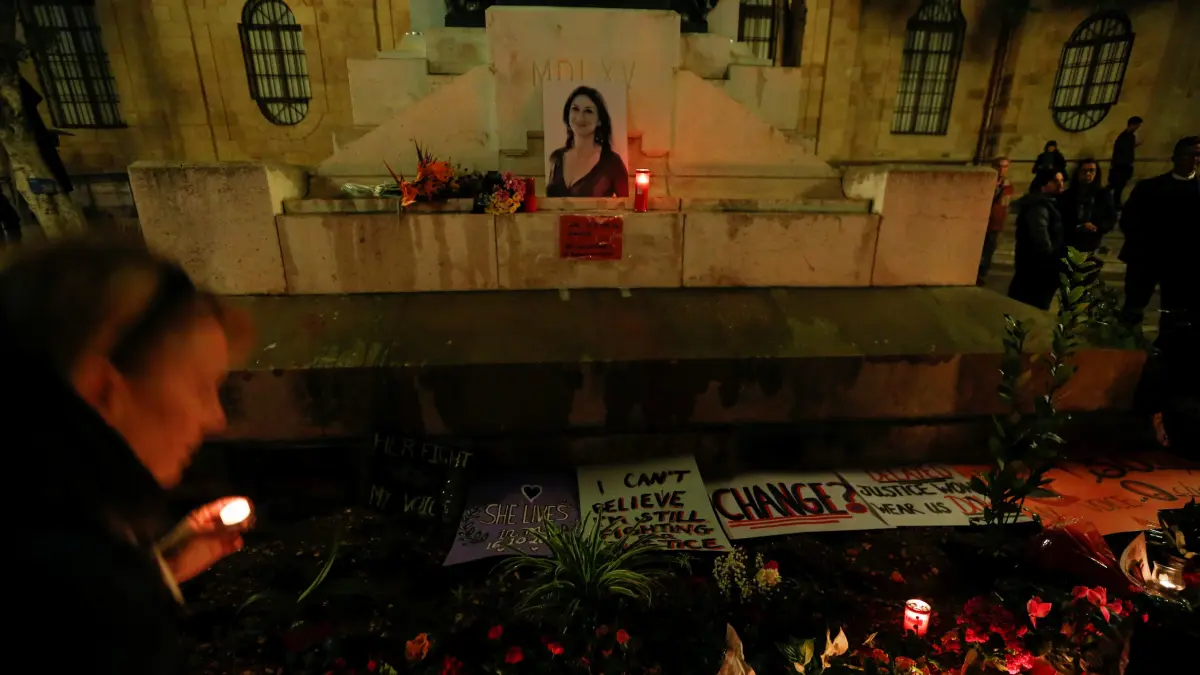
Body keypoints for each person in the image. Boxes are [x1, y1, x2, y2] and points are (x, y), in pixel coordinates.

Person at [3, 238, 253, 674]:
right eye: (201, 388)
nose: (216, 419)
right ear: (102, 388)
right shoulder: (85, 596)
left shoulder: (49, 521)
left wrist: (158, 567)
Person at [1118, 136, 1200, 326]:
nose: (1194, 159)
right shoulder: (1149, 187)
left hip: (1183, 265)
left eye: (1198, 155)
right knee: (1133, 310)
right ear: (1175, 158)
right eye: (1190, 154)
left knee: (1175, 314)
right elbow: (1129, 220)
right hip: (1146, 259)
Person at [546, 86, 629, 198]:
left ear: (599, 120)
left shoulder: (612, 162)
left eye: (588, 111)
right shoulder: (557, 158)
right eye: (575, 109)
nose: (580, 117)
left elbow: (626, 206)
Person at [1008, 169, 1066, 310]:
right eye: (1055, 181)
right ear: (1043, 185)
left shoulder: (1048, 204)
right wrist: (1051, 262)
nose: (1061, 185)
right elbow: (1040, 238)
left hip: (1036, 267)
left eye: (1062, 180)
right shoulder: (1039, 207)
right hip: (1036, 268)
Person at [1059, 159, 1117, 255]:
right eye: (1084, 171)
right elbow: (1061, 218)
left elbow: (1111, 217)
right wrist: (1078, 226)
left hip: (1092, 241)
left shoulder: (1103, 195)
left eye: (1091, 171)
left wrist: (1096, 227)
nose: (1088, 174)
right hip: (1070, 241)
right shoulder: (1067, 195)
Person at [978, 156, 1013, 285]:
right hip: (982, 220)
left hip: (995, 222)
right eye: (999, 166)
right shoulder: (986, 182)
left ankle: (982, 273)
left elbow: (1005, 204)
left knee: (989, 249)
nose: (1002, 170)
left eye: (1005, 167)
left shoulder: (1007, 185)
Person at [1108, 116, 1142, 209]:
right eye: (1137, 125)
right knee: (1118, 186)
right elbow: (1121, 151)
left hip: (1124, 164)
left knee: (1119, 185)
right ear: (1132, 125)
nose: (1137, 128)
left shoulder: (1129, 137)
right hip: (1121, 165)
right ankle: (1115, 203)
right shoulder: (1125, 137)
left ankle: (1115, 203)